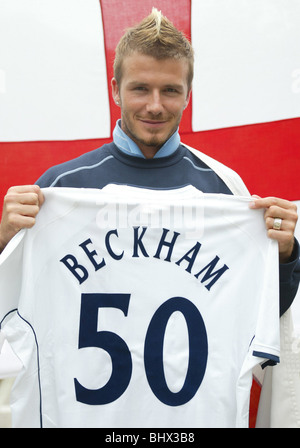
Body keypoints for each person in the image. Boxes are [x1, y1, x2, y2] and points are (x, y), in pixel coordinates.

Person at [0, 8, 299, 315]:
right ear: (116, 90)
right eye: (140, 89)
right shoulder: (61, 186)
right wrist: (3, 241)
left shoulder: (225, 187)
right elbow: (13, 309)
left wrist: (284, 255)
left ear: (187, 96)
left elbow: (262, 315)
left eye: (170, 91)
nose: (155, 106)